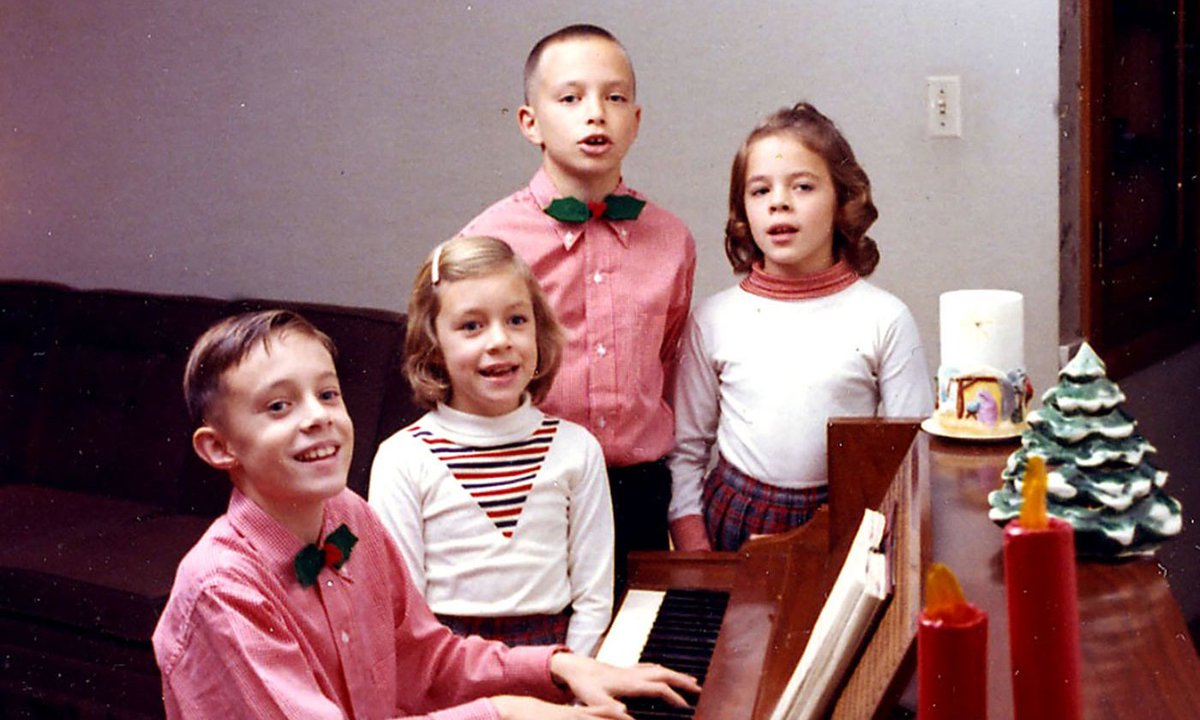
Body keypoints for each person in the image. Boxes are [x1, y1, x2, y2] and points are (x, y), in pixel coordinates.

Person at [151, 309, 699, 719]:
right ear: (218, 448)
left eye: (328, 394)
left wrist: (557, 667)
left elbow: (426, 660)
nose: (318, 417)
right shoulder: (222, 590)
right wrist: (504, 712)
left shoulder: (349, 520)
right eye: (279, 406)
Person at [460, 24, 696, 595]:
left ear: (635, 120)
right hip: (527, 485)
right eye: (570, 98)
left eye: (614, 97)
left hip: (638, 493)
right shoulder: (490, 243)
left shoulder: (672, 240)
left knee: (633, 631)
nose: (595, 114)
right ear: (530, 122)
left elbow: (667, 364)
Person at [668, 102, 934, 552]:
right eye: (760, 190)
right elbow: (686, 451)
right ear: (743, 209)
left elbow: (913, 457)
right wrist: (695, 548)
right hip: (734, 523)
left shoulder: (884, 318)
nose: (779, 202)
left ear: (843, 202)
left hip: (846, 521)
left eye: (803, 186)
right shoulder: (714, 318)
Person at [369, 236, 613, 657]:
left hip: (556, 659)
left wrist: (572, 677)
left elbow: (594, 597)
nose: (500, 340)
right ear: (433, 345)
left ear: (539, 330)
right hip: (448, 660)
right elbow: (405, 608)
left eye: (516, 320)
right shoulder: (404, 458)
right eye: (471, 326)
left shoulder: (577, 449)